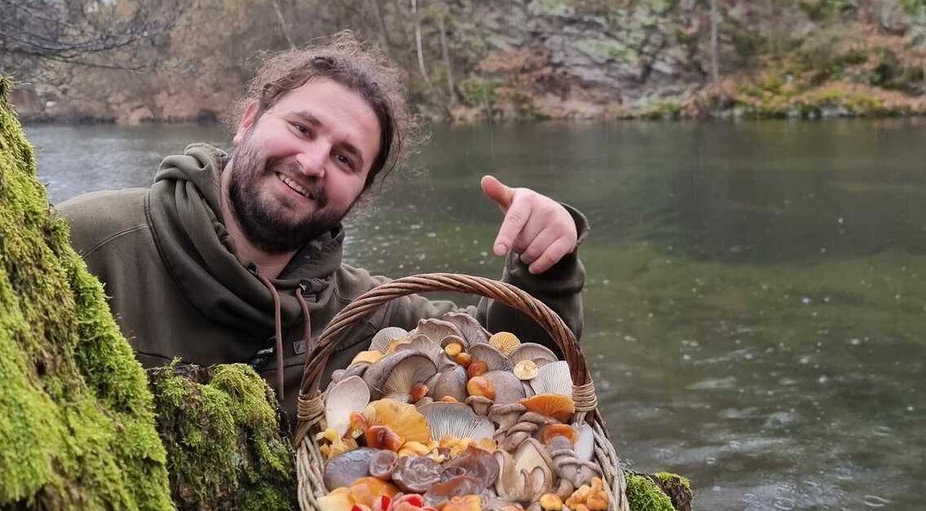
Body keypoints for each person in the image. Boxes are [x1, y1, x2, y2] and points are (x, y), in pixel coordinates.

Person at [59, 35, 589, 422]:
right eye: (301, 128)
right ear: (247, 122)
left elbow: (508, 364)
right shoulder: (88, 243)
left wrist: (545, 266)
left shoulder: (368, 320)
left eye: (345, 158)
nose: (313, 163)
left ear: (359, 192)